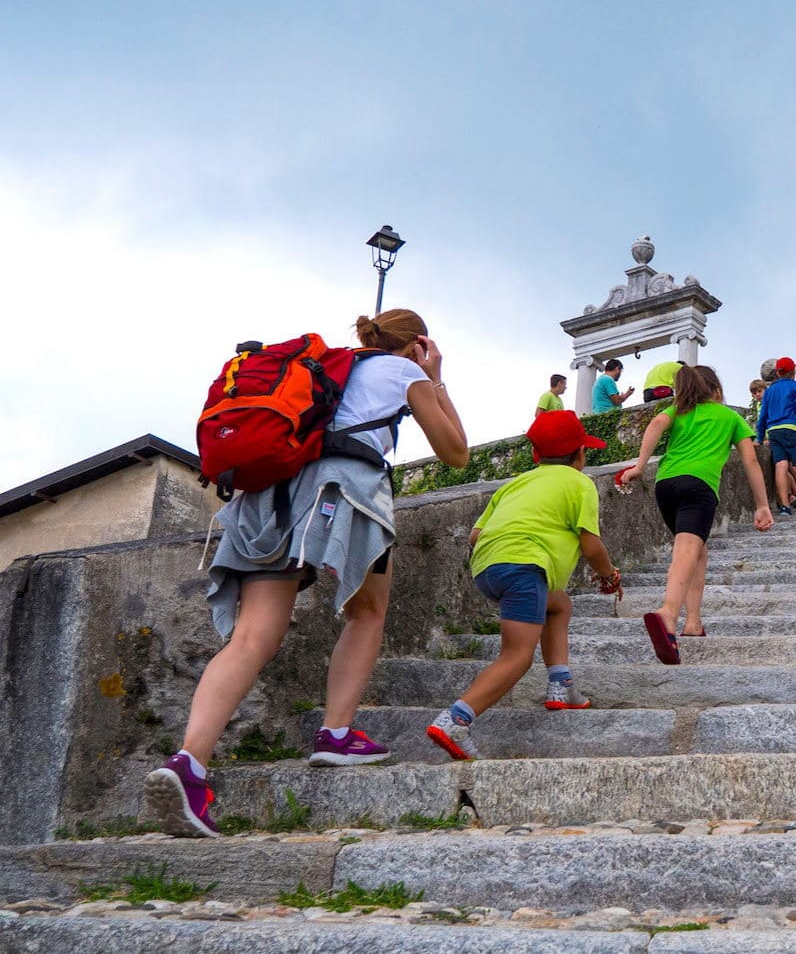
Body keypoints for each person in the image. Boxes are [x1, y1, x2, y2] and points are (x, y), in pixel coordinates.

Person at [144, 309, 470, 838]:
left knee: (252, 636)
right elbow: (455, 454)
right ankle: (336, 734)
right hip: (342, 489)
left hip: (268, 492)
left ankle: (189, 764)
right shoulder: (405, 373)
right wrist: (435, 378)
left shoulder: (324, 369)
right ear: (418, 344)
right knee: (366, 612)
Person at [426, 411, 622, 760]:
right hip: (525, 569)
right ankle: (456, 719)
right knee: (516, 658)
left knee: (559, 603)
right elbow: (591, 544)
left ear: (535, 455)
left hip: (487, 568)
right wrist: (609, 577)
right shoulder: (580, 483)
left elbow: (475, 535)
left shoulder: (514, 484)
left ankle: (561, 683)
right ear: (581, 454)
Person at [620, 365, 773, 664]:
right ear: (716, 390)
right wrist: (762, 504)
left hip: (665, 485)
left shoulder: (679, 409)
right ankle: (668, 614)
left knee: (697, 550)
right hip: (699, 485)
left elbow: (654, 426)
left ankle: (693, 622)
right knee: (688, 547)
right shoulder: (730, 416)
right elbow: (751, 460)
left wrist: (639, 466)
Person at [754, 356, 796, 516]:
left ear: (778, 373)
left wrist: (759, 438)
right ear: (793, 372)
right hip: (793, 428)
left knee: (780, 466)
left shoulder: (769, 392)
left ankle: (785, 507)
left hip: (774, 430)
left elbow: (763, 417)